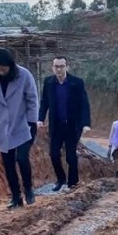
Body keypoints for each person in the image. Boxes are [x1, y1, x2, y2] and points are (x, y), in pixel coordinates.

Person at [0, 48, 39, 209]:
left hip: (23, 123)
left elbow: (32, 98)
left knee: (22, 158)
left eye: (3, 68)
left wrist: (32, 120)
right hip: (2, 125)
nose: (1, 72)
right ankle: (16, 197)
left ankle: (28, 189)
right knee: (8, 163)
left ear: (10, 65)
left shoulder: (24, 75)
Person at [38, 56, 92, 191]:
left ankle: (73, 183)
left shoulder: (76, 83)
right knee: (54, 154)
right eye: (56, 66)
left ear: (67, 67)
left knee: (71, 155)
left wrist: (85, 123)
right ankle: (61, 179)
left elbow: (84, 104)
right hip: (56, 125)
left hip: (72, 125)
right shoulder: (48, 82)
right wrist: (40, 118)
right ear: (52, 68)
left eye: (61, 66)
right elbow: (44, 102)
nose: (59, 69)